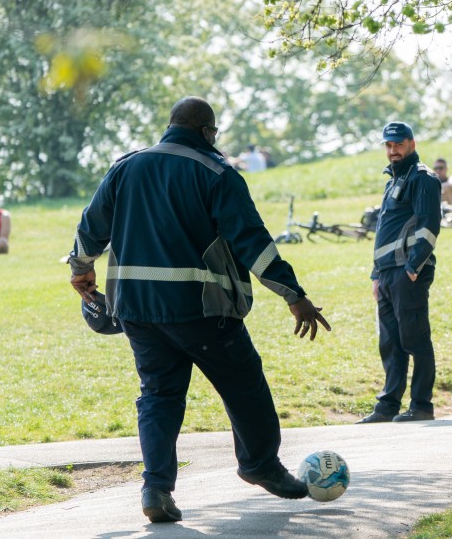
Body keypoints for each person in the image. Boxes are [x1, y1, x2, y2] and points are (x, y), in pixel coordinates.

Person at [68, 96, 331, 523]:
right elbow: (252, 241)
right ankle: (260, 465)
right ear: (208, 132)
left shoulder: (126, 166)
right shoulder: (217, 173)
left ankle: (156, 489)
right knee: (244, 383)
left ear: (172, 125)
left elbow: (90, 227)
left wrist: (81, 270)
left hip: (135, 309)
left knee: (158, 395)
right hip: (201, 310)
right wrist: (292, 294)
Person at [358, 121, 442, 424]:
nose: (393, 150)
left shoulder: (423, 179)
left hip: (409, 273)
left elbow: (429, 225)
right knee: (390, 342)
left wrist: (412, 268)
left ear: (412, 144)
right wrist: (375, 275)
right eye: (389, 145)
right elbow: (384, 231)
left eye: (399, 144)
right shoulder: (391, 180)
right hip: (387, 274)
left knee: (414, 338)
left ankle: (421, 405)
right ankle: (387, 406)